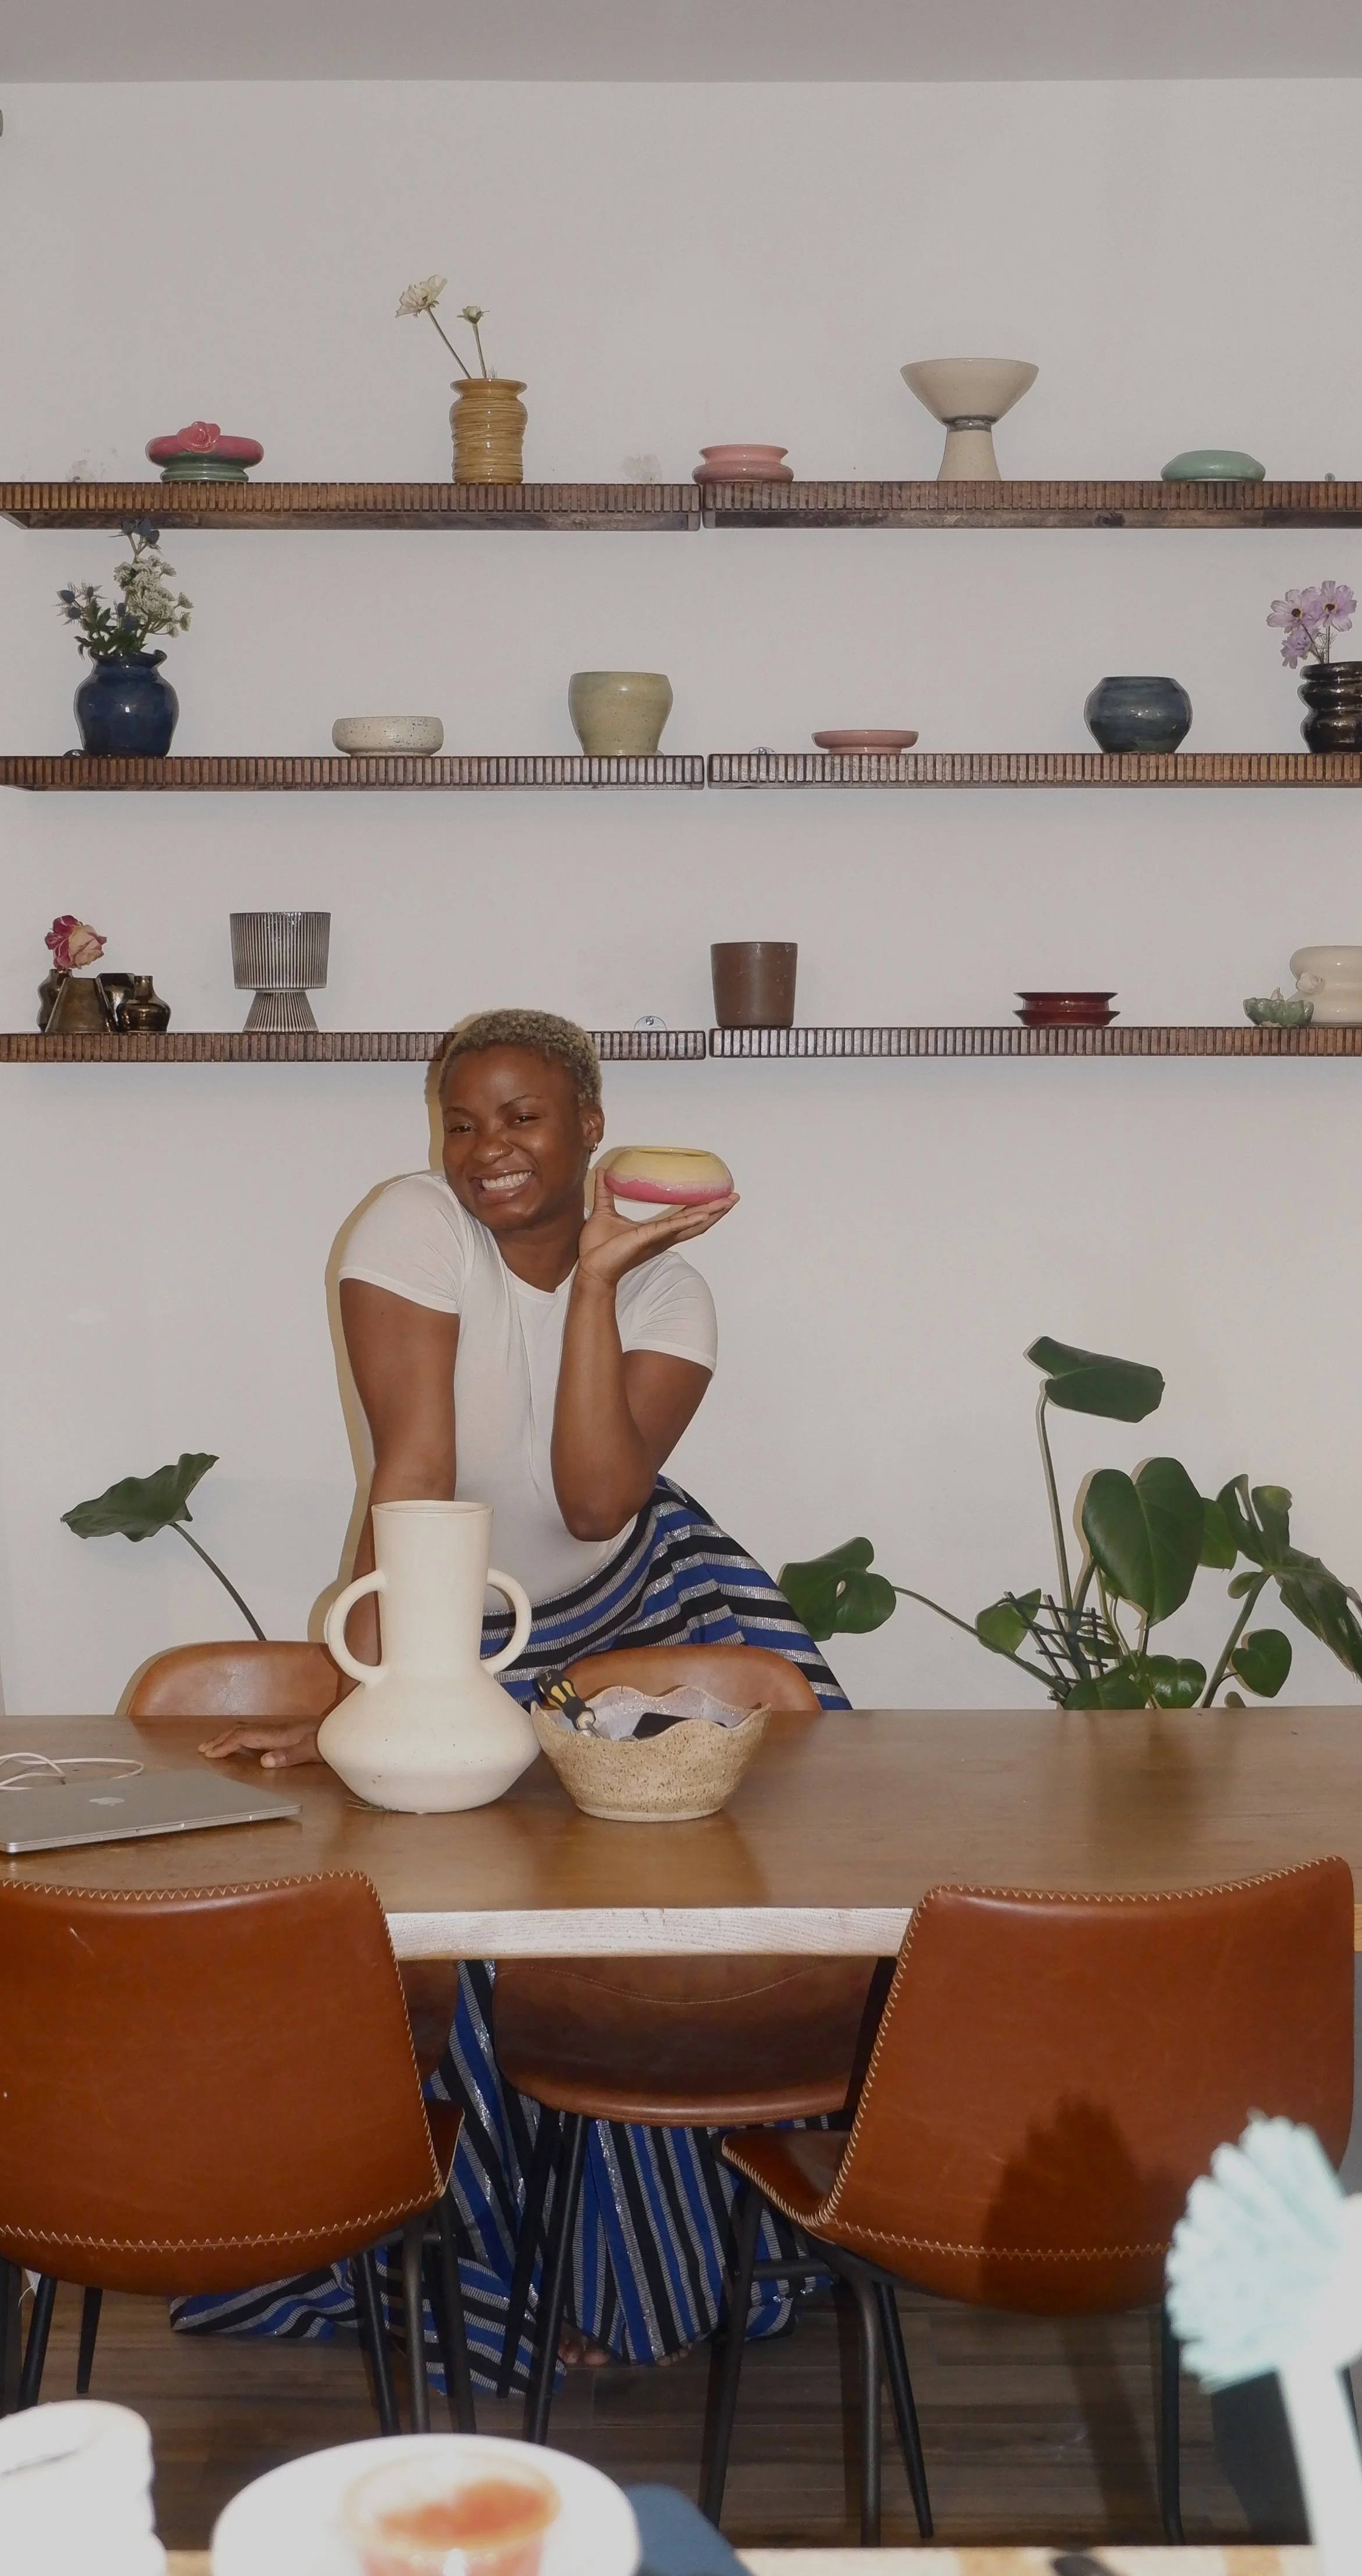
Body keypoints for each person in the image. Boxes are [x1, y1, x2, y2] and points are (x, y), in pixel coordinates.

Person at [188, 1006, 846, 2389]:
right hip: (451, 1617)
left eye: (524, 1117)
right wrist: (376, 1693)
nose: (488, 1148)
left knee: (685, 1931)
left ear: (592, 1128)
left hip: (648, 1615)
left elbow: (599, 1500)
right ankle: (543, 2270)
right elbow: (414, 1469)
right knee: (492, 1936)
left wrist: (598, 1280)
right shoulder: (408, 1227)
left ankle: (721, 2245)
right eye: (464, 1119)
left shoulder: (668, 1293)